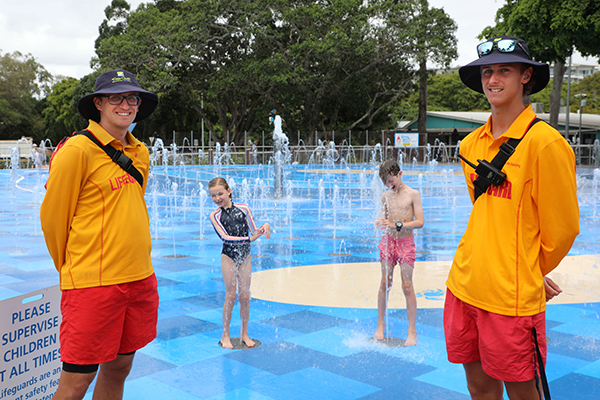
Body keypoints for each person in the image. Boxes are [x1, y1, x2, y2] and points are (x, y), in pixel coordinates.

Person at [445, 36, 579, 399]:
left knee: (524, 392)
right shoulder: (471, 144)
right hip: (464, 284)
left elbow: (563, 230)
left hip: (510, 298)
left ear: (525, 77)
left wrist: (528, 270)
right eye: (488, 71)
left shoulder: (546, 144)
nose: (493, 79)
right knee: (479, 389)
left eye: (505, 70)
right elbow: (486, 211)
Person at [41, 69, 159, 400]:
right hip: (93, 285)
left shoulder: (141, 152)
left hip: (139, 278)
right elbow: (53, 221)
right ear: (99, 103)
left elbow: (132, 205)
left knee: (119, 369)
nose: (125, 104)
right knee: (77, 381)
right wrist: (74, 268)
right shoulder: (77, 150)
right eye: (115, 98)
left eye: (132, 98)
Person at [208, 177, 271, 349]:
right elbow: (225, 238)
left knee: (244, 295)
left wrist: (264, 226)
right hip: (228, 257)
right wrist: (249, 239)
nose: (217, 198)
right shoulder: (215, 215)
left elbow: (253, 228)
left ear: (229, 191)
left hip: (245, 257)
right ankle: (225, 334)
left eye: (220, 193)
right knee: (231, 295)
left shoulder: (244, 208)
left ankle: (244, 334)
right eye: (213, 196)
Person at [374, 159, 424, 346]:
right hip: (388, 242)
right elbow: (386, 220)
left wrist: (397, 225)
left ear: (399, 174)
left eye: (391, 180)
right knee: (385, 282)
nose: (389, 185)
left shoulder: (413, 194)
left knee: (407, 285)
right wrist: (381, 222)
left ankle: (412, 331)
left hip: (405, 243)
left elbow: (420, 222)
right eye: (386, 182)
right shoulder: (386, 196)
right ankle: (380, 324)